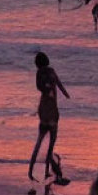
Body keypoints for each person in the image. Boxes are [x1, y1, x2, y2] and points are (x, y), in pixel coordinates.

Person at [28, 52, 70, 181]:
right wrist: (66, 94)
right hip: (52, 109)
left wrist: (46, 89)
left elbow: (39, 87)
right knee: (51, 145)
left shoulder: (39, 73)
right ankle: (46, 171)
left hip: (43, 109)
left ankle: (30, 172)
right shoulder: (51, 71)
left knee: (39, 142)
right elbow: (59, 84)